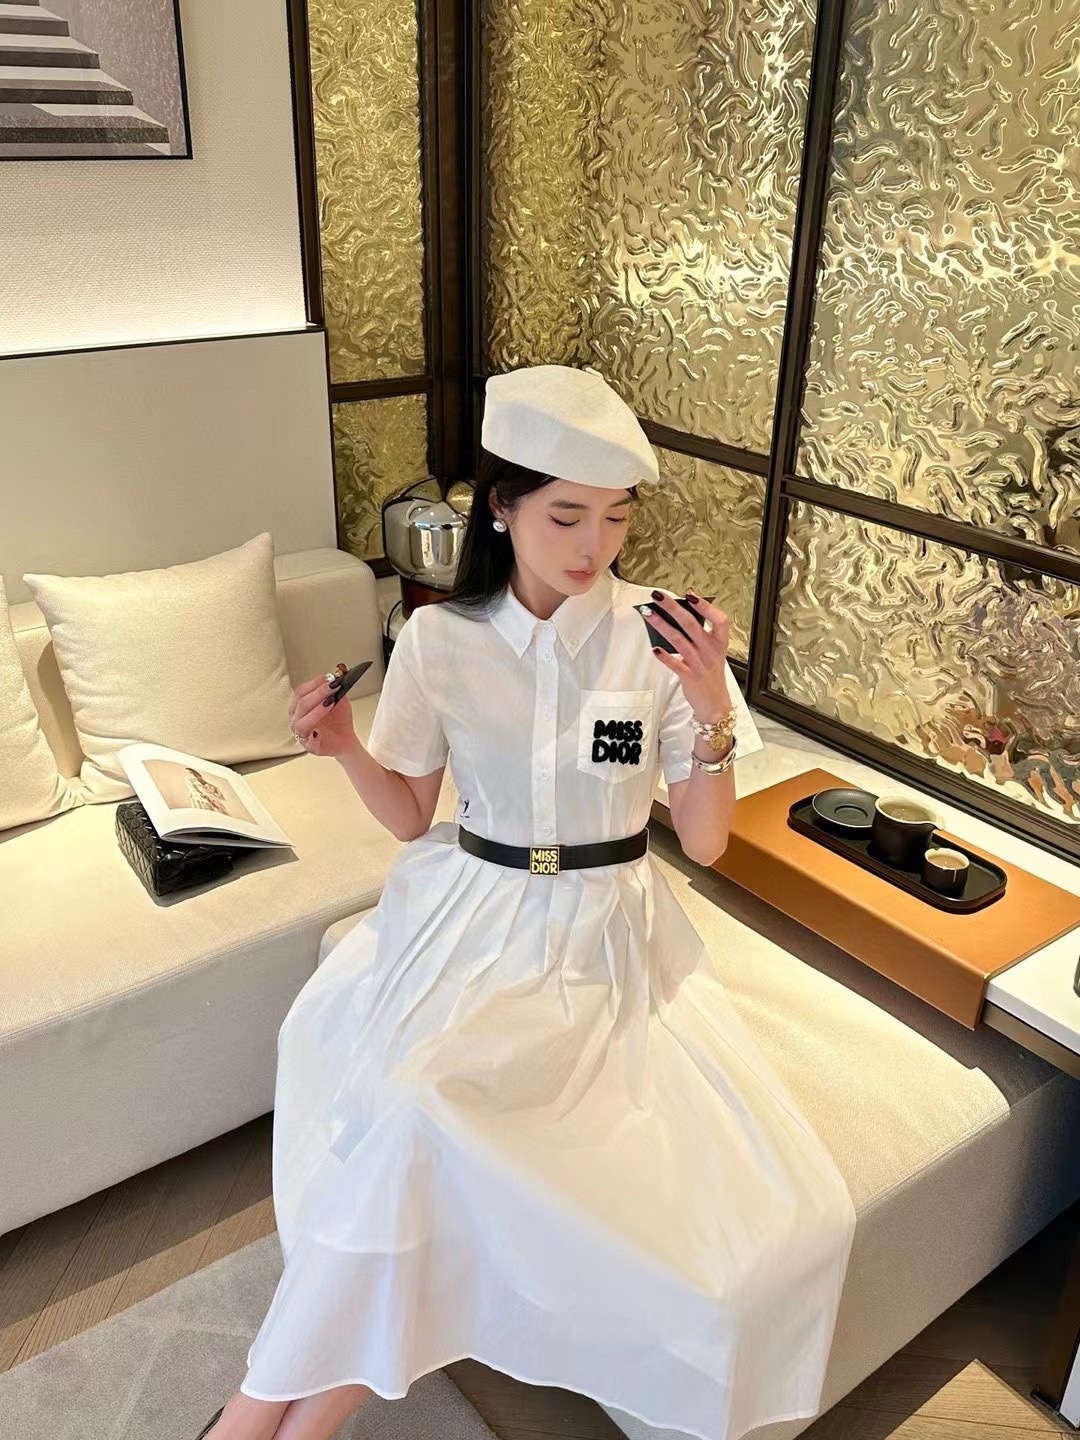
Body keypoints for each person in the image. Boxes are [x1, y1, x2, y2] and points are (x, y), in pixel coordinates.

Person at [196, 365, 857, 1440]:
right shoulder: (440, 640)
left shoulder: (661, 639)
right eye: (566, 516)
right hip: (472, 912)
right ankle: (272, 1422)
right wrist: (345, 746)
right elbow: (409, 816)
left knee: (424, 1115)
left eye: (616, 516)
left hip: (600, 931)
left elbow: (704, 841)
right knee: (409, 1110)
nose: (595, 544)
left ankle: (253, 1419)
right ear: (500, 509)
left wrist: (708, 708)